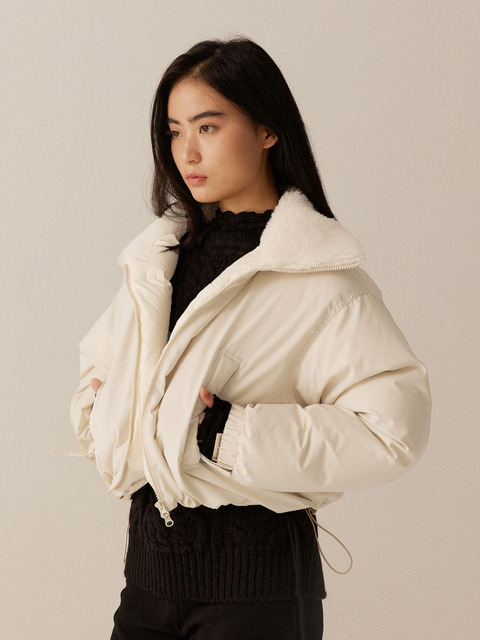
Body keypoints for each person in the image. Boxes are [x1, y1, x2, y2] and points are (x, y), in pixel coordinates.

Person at [71, 37, 431, 640]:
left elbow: (393, 431)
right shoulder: (156, 262)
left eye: (208, 127)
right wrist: (110, 413)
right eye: (174, 131)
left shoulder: (320, 275)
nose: (187, 151)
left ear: (267, 130)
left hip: (255, 599)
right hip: (147, 586)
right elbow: (99, 376)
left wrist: (226, 432)